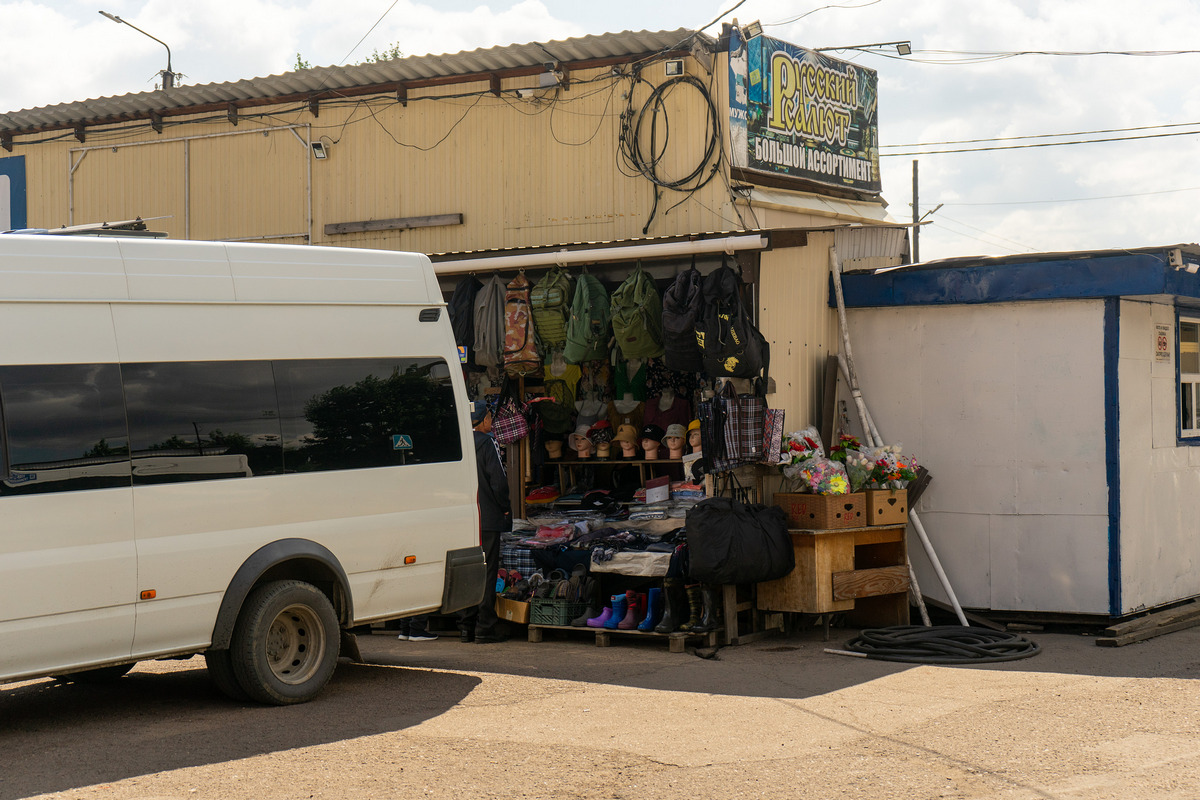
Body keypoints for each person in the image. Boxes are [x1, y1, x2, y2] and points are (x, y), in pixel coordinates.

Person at [459, 401, 512, 644]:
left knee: (468, 571)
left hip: (464, 518)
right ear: (482, 421)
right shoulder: (486, 443)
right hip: (487, 517)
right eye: (490, 417)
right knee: (488, 570)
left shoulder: (457, 443)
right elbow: (499, 482)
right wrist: (504, 507)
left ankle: (465, 626)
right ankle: (485, 627)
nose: (492, 422)